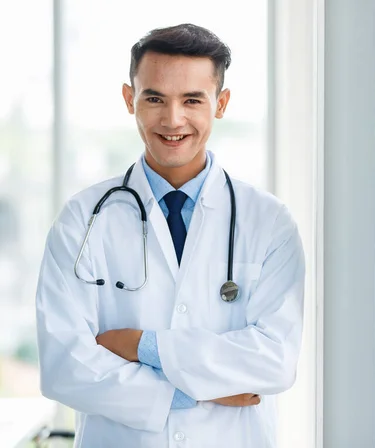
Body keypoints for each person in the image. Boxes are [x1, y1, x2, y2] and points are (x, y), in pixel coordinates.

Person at [35, 23, 305, 448]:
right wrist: (192, 391)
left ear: (221, 103)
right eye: (155, 98)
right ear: (130, 100)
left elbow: (273, 362)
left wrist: (140, 345)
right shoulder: (82, 220)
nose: (173, 119)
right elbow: (64, 367)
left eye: (192, 100)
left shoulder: (268, 222)